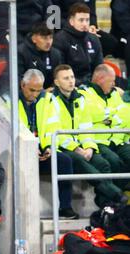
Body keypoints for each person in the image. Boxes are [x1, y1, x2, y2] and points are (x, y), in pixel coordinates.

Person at [49, 64, 127, 207]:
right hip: (62, 148)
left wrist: (89, 147)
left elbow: (86, 128)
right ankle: (116, 195)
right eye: (66, 78)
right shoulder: (49, 101)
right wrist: (77, 149)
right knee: (82, 162)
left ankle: (106, 205)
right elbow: (54, 133)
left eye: (72, 77)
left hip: (83, 146)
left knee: (103, 164)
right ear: (56, 82)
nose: (71, 81)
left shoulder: (80, 99)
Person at [19, 69, 79, 219]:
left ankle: (65, 208)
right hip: (22, 151)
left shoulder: (47, 99)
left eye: (39, 90)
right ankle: (24, 213)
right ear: (22, 85)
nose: (35, 94)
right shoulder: (10, 100)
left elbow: (52, 127)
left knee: (65, 161)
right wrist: (30, 149)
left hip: (43, 151)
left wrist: (49, 148)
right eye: (32, 90)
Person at [79, 64, 130, 187]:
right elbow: (91, 115)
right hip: (97, 141)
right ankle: (112, 199)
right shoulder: (83, 94)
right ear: (100, 79)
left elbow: (123, 114)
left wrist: (108, 119)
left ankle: (119, 195)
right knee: (113, 161)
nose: (114, 84)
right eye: (111, 81)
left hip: (116, 140)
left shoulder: (114, 94)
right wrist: (108, 117)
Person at [53, 2, 104, 86]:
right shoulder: (60, 40)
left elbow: (99, 68)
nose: (85, 24)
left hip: (92, 85)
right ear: (71, 21)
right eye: (81, 20)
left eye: (87, 20)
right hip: (70, 85)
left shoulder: (94, 39)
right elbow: (60, 71)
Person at [18, 23, 64, 89]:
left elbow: (59, 76)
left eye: (50, 38)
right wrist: (41, 92)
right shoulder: (21, 52)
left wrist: (53, 89)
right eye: (44, 38)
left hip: (50, 93)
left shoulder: (56, 54)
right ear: (34, 39)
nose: (48, 42)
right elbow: (19, 79)